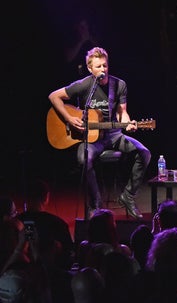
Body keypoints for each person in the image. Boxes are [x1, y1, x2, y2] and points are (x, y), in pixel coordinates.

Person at [48, 46, 151, 219]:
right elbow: (53, 96)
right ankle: (95, 204)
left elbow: (122, 112)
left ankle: (128, 196)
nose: (103, 70)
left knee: (144, 153)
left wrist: (128, 123)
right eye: (98, 67)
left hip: (113, 135)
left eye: (105, 65)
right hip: (91, 138)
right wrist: (68, 118)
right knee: (83, 159)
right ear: (90, 69)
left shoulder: (119, 85)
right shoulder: (84, 85)